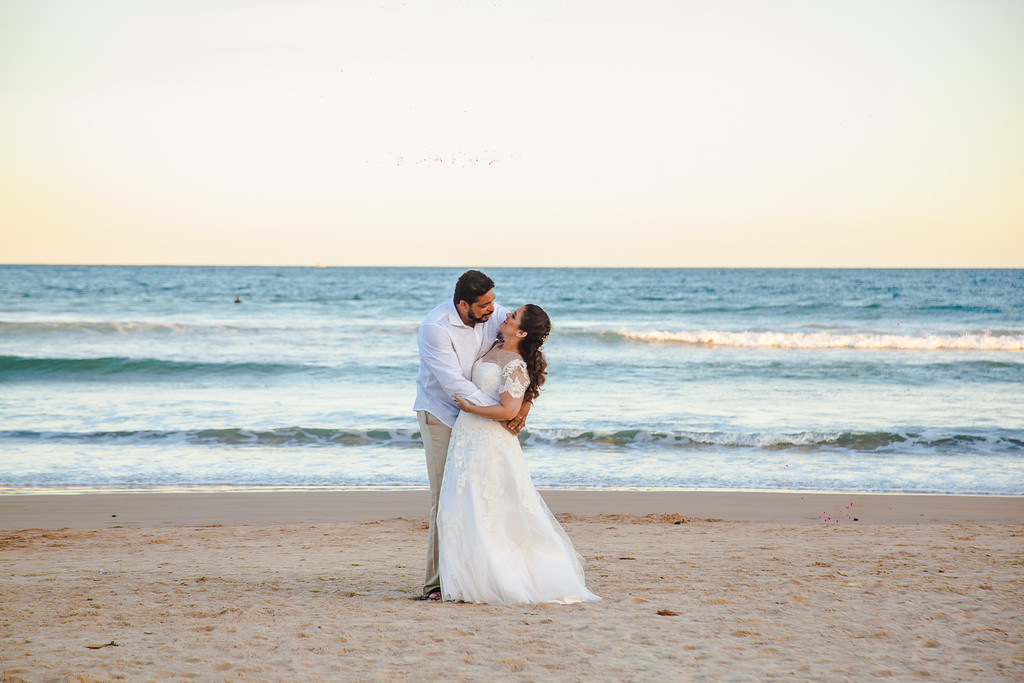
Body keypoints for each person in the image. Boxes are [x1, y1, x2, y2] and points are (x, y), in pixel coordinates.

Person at [437, 304, 600, 605]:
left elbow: (508, 410)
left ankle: (499, 580)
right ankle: (466, 579)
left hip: (488, 440)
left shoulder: (514, 364)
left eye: (513, 316)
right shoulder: (495, 345)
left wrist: (469, 408)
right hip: (468, 438)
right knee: (465, 505)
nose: (506, 315)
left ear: (522, 332)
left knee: (492, 509)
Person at [414, 270, 532, 601]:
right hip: (442, 414)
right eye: (485, 305)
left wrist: (523, 404)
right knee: (445, 498)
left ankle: (473, 575)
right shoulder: (434, 328)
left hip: (478, 420)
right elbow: (453, 383)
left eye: (494, 302)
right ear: (464, 304)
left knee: (479, 498)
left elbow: (525, 353)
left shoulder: (493, 313)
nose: (494, 310)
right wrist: (499, 411)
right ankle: (436, 584)